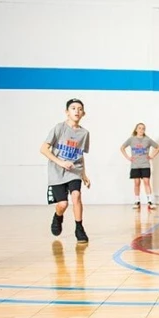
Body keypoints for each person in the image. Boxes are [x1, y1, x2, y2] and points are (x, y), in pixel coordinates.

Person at [40, 98, 90, 243]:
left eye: (80, 109)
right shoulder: (59, 128)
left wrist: (84, 174)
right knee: (63, 204)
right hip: (57, 171)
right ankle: (58, 217)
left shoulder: (84, 133)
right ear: (67, 112)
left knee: (76, 196)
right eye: (73, 108)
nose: (77, 111)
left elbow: (80, 155)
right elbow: (43, 149)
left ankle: (79, 228)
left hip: (74, 170)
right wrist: (61, 162)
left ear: (83, 113)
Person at [121, 123, 159, 209]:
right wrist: (128, 157)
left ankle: (150, 201)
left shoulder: (147, 140)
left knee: (146, 182)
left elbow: (158, 148)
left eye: (143, 128)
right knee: (137, 183)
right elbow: (122, 148)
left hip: (145, 164)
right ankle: (137, 201)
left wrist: (152, 156)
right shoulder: (131, 139)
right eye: (139, 128)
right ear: (136, 129)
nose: (141, 130)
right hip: (135, 165)